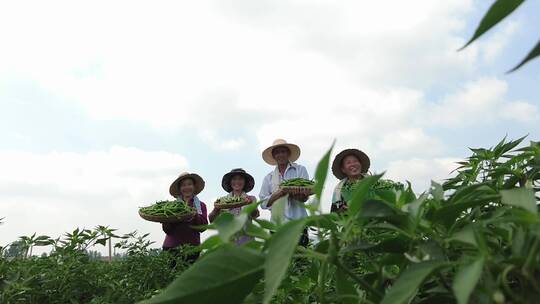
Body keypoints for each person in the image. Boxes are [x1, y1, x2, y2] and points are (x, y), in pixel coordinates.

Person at [259, 139, 310, 246]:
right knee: (280, 260)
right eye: (277, 152)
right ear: (274, 156)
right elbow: (263, 203)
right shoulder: (269, 178)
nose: (280, 154)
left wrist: (298, 195)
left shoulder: (300, 170)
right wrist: (280, 193)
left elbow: (305, 197)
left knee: (301, 260)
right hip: (277, 226)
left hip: (298, 223)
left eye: (283, 151)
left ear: (288, 153)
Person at [162, 172, 208, 264]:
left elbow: (203, 227)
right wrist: (165, 221)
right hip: (171, 247)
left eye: (189, 184)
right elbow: (167, 230)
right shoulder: (172, 206)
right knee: (171, 276)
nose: (187, 187)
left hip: (192, 248)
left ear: (194, 187)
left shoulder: (200, 205)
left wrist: (195, 215)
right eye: (183, 185)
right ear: (180, 189)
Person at [208, 168, 259, 245]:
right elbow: (211, 220)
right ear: (230, 182)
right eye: (234, 179)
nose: (237, 182)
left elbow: (255, 215)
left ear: (245, 182)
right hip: (229, 240)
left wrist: (251, 206)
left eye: (240, 179)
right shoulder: (223, 201)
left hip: (246, 240)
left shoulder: (251, 198)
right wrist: (216, 209)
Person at [331, 149, 371, 213]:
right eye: (348, 163)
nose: (353, 164)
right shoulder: (339, 190)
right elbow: (334, 214)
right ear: (343, 169)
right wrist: (343, 211)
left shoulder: (373, 182)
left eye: (355, 161)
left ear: (360, 164)